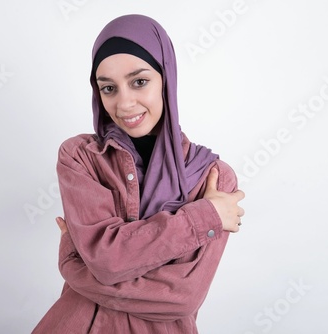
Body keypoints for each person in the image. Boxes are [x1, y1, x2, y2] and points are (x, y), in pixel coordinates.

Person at [33, 14, 245, 334]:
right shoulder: (80, 158)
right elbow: (107, 263)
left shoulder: (214, 179)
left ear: (166, 78)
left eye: (139, 81)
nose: (124, 103)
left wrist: (74, 265)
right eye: (108, 88)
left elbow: (182, 299)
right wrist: (204, 218)